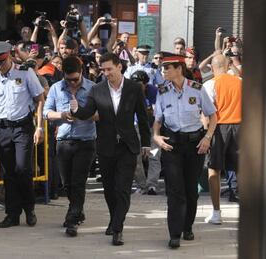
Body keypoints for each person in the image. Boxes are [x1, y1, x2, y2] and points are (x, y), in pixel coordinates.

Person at [70, 53, 151, 246]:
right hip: (106, 146)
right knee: (109, 190)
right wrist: (75, 109)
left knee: (122, 188)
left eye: (109, 69)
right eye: (103, 70)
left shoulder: (134, 88)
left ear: (119, 67)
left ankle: (117, 228)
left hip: (128, 146)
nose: (106, 73)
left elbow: (143, 116)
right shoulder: (97, 89)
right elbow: (87, 112)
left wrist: (146, 143)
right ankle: (114, 219)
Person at [0, 41, 44, 228]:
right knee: (9, 172)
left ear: (9, 57)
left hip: (22, 126)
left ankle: (29, 209)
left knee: (23, 169)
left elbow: (39, 99)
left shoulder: (25, 72)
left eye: (2, 63)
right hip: (1, 128)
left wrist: (39, 127)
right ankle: (12, 214)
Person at [152, 53, 217, 249]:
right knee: (174, 191)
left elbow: (212, 116)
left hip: (194, 145)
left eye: (167, 68)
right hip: (172, 145)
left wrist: (207, 138)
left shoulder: (197, 89)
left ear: (179, 69)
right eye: (162, 68)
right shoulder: (162, 92)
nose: (163, 71)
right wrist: (156, 136)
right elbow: (157, 121)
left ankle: (187, 226)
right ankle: (174, 233)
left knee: (190, 190)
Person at [43, 56, 96, 237]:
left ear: (81, 72)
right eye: (69, 79)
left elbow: (100, 114)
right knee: (66, 183)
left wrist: (82, 113)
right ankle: (77, 210)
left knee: (78, 182)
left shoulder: (92, 88)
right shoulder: (57, 88)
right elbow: (46, 112)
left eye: (76, 79)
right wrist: (62, 115)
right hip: (64, 140)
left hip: (86, 140)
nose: (73, 83)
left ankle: (72, 219)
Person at [203, 54, 242, 224]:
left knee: (214, 170)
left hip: (218, 128)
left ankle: (217, 213)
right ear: (227, 66)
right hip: (241, 127)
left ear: (212, 68)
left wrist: (207, 135)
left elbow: (207, 114)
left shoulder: (210, 84)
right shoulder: (241, 82)